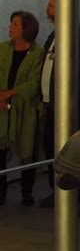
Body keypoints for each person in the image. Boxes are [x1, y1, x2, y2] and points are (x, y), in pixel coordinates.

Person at [38, 0, 80, 214]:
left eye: (52, 6)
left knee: (73, 151)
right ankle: (58, 191)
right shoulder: (54, 35)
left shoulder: (79, 35)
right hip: (51, 103)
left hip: (69, 106)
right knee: (52, 147)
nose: (47, 9)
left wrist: (71, 98)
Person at [0, 11, 43, 205]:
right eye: (11, 23)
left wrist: (11, 93)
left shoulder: (37, 53)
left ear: (26, 29)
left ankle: (27, 191)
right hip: (2, 108)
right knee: (0, 149)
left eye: (15, 24)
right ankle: (1, 192)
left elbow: (34, 83)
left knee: (28, 149)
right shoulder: (3, 49)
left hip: (25, 109)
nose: (10, 26)